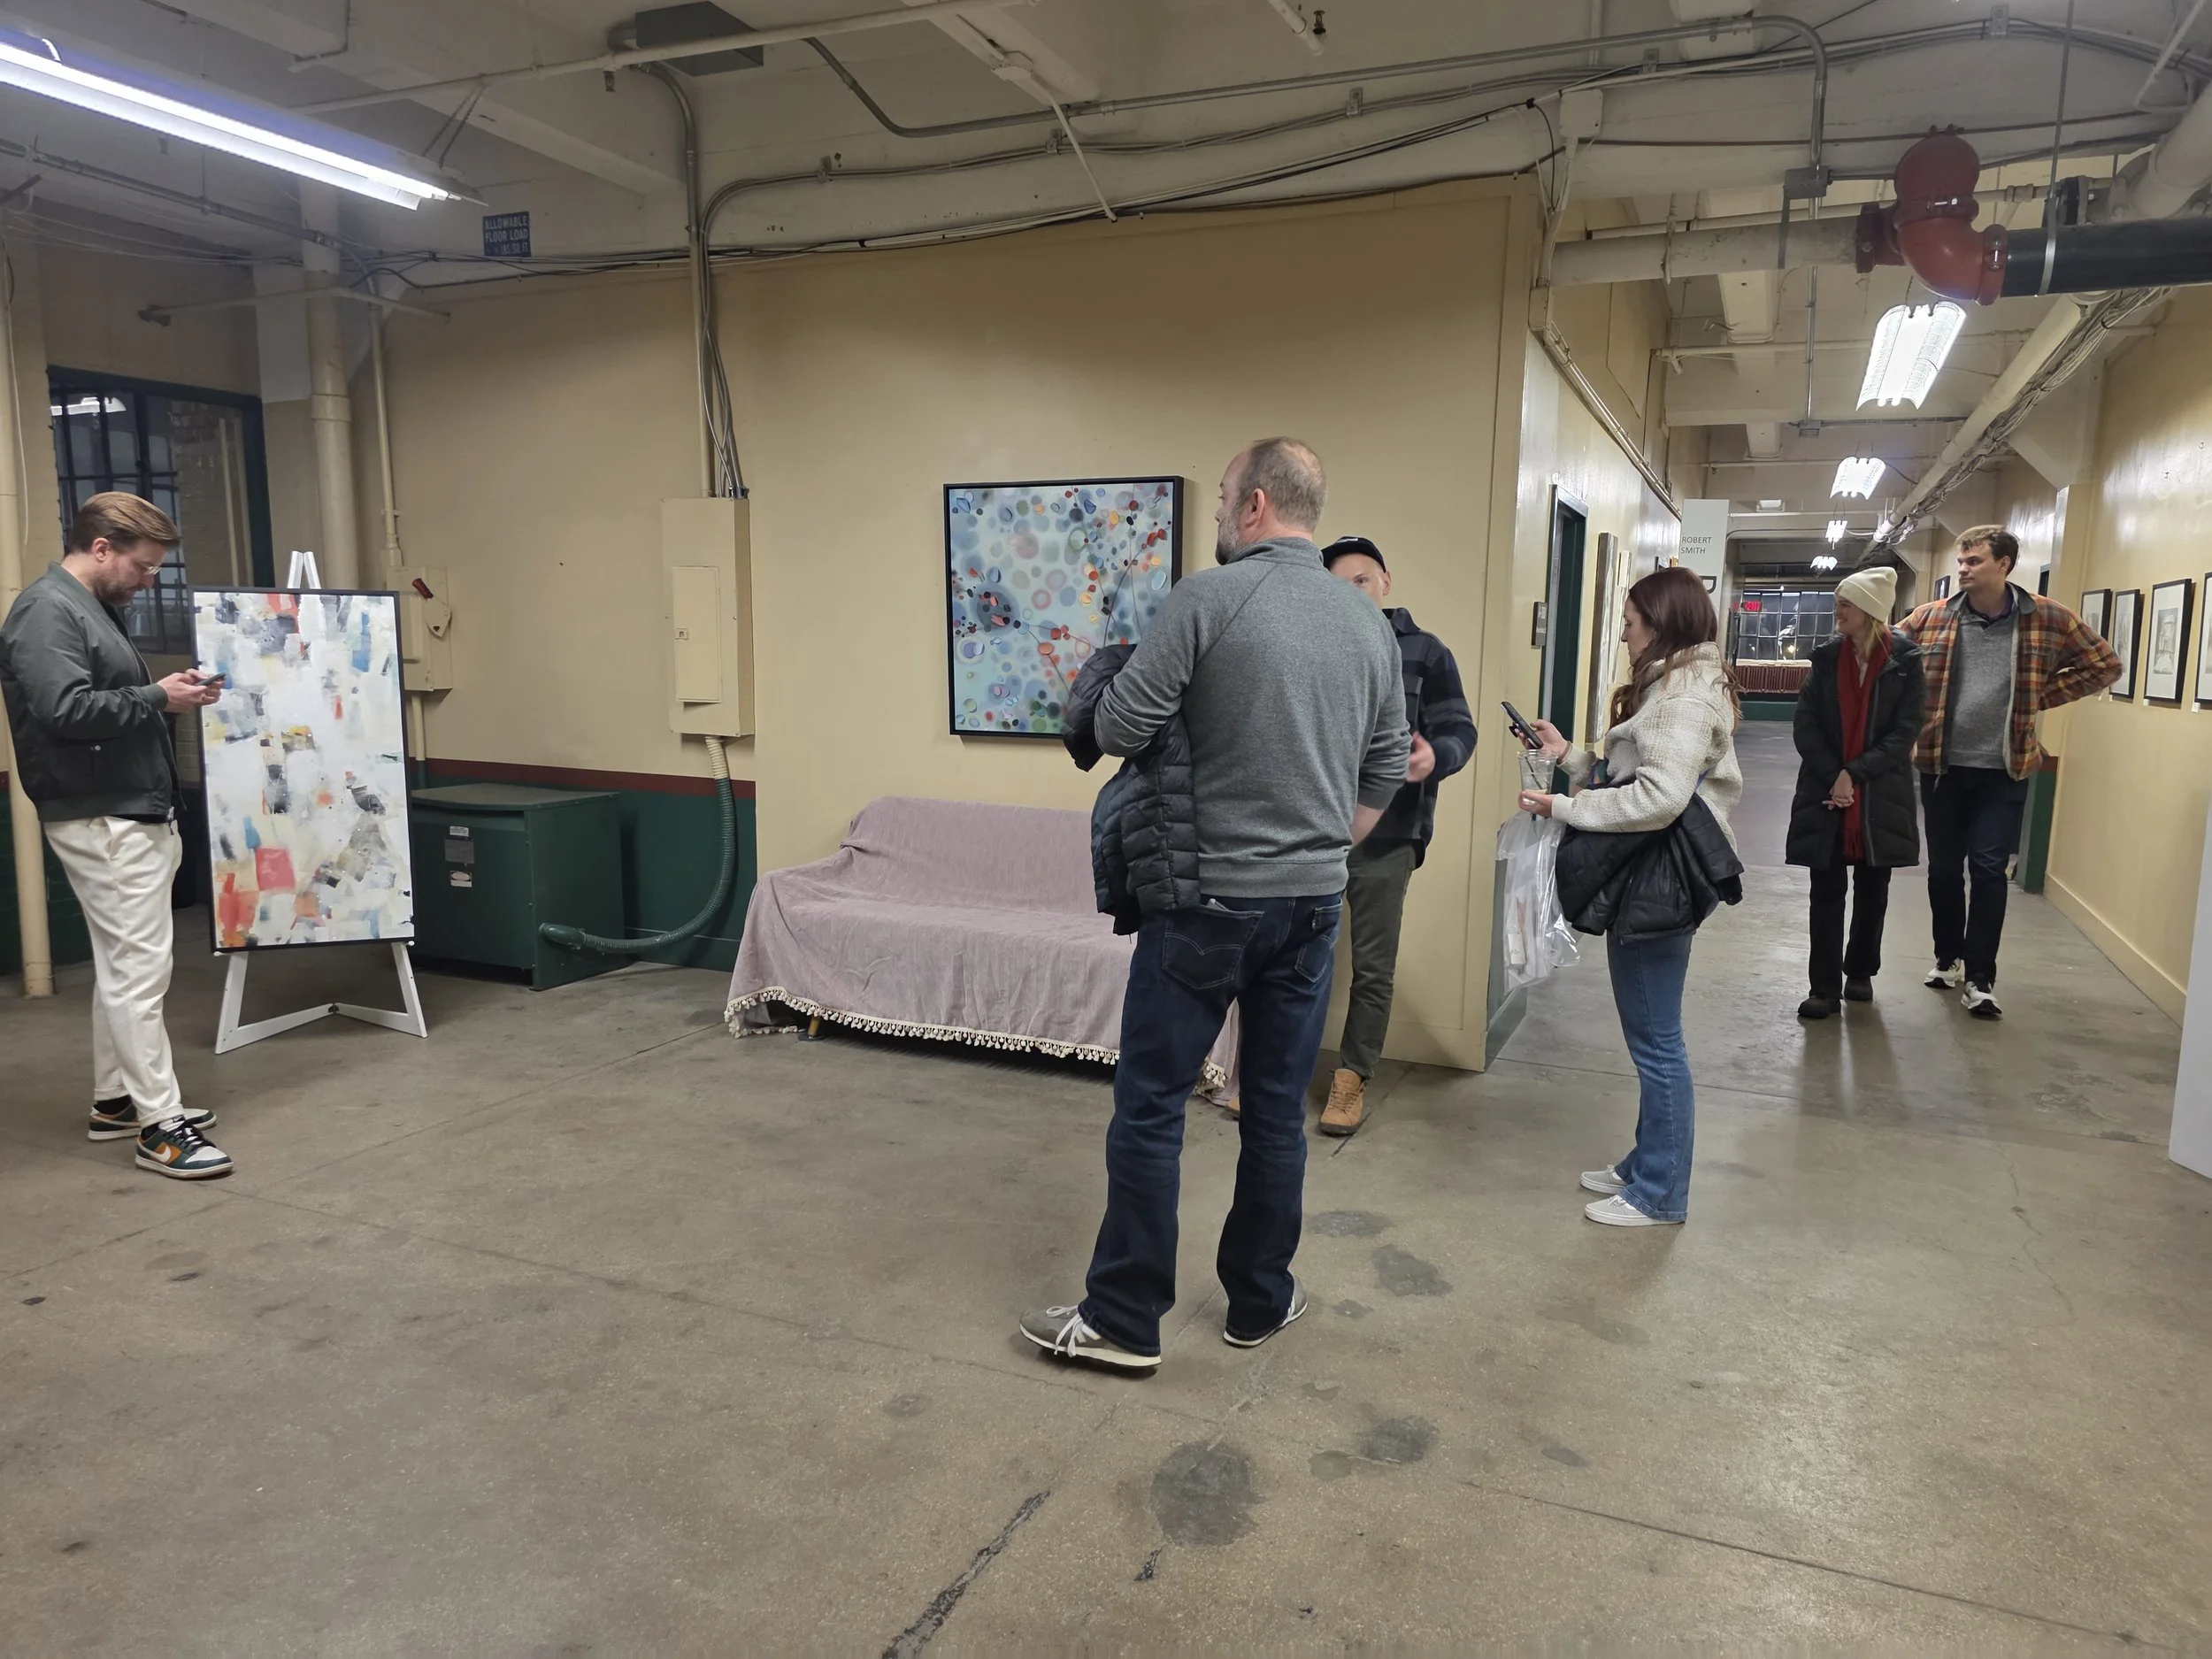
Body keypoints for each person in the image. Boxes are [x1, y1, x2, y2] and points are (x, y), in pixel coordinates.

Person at [1020, 439, 1409, 1371]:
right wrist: (1323, 849)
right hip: (1312, 907)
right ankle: (1259, 1301)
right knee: (1274, 1110)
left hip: (1204, 902)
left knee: (1152, 1105)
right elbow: (1389, 763)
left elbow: (1119, 726)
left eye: (1227, 496)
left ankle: (1124, 1321)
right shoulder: (1367, 624)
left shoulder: (1206, 598)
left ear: (1256, 505)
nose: (1222, 513)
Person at [0, 493, 233, 1179]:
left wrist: (168, 694)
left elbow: (100, 702)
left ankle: (116, 1102)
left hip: (123, 807)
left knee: (121, 966)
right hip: (103, 815)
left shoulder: (90, 608)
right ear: (101, 548)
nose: (150, 579)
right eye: (143, 566)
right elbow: (64, 710)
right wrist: (160, 696)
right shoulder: (47, 610)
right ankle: (161, 1126)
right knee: (139, 974)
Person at [1520, 565, 1741, 1228]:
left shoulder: (1683, 699)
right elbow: (1631, 772)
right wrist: (1569, 756)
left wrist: (1564, 806)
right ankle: (1648, 1161)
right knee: (1653, 1035)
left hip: (1660, 879)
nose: (1623, 634)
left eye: (1630, 621)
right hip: (1654, 873)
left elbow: (1658, 798)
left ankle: (1660, 1193)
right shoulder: (1676, 685)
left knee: (1657, 1041)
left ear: (1660, 624)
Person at [1897, 526, 2118, 1020]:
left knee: (1989, 870)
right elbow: (1886, 657)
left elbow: (2104, 665)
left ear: (2004, 565)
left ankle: (1981, 978)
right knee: (1943, 870)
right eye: (1961, 561)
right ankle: (1948, 956)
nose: (1963, 569)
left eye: (1974, 561)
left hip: (2005, 769)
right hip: (1941, 765)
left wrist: (2037, 697)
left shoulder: (2048, 618)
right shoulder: (1931, 617)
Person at [1317, 534, 1475, 1134]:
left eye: (1362, 579)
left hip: (1389, 837)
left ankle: (1352, 1077)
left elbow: (1460, 729)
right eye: (1338, 585)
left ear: (1385, 581)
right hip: (1313, 834)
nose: (1352, 593)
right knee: (1292, 961)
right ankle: (1269, 1074)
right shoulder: (1309, 647)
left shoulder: (1425, 652)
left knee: (1373, 967)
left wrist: (1436, 755)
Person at [1786, 565, 1926, 1020]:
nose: (1837, 612)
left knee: (1873, 889)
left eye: (1845, 604)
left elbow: (1905, 730)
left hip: (1880, 792)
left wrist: (1855, 773)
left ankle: (1860, 970)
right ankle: (1823, 988)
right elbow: (1806, 725)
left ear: (1869, 610)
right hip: (1826, 789)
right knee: (1825, 891)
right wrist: (1835, 775)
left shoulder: (1905, 662)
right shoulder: (1826, 660)